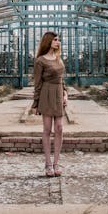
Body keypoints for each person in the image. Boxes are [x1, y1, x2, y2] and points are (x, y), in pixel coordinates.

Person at [31, 31, 68, 177]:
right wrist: (35, 104)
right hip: (46, 94)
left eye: (58, 40)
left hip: (58, 94)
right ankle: (47, 164)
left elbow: (61, 79)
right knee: (47, 129)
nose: (58, 42)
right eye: (55, 40)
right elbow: (37, 83)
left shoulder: (59, 58)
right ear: (48, 42)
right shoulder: (40, 61)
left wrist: (65, 93)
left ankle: (56, 163)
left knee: (59, 127)